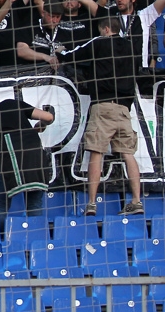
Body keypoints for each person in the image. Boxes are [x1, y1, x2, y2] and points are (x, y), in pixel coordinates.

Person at [58, 17, 143, 216]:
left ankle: (91, 203)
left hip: (103, 105)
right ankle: (137, 201)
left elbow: (72, 56)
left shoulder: (99, 42)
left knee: (96, 152)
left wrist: (59, 52)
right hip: (124, 108)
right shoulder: (132, 47)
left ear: (106, 29)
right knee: (128, 154)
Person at [0, 93, 55, 221]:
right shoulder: (12, 103)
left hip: (11, 157)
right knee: (34, 204)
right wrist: (40, 126)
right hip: (36, 155)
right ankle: (38, 237)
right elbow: (48, 117)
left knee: (1, 204)